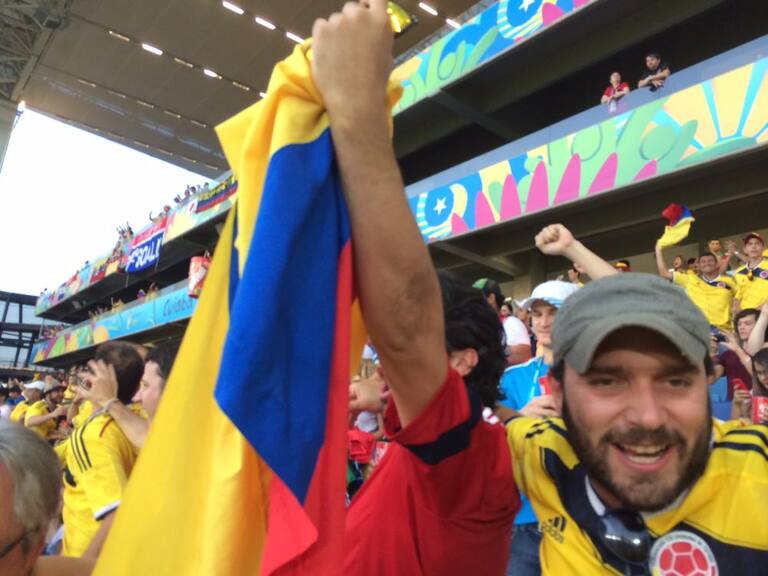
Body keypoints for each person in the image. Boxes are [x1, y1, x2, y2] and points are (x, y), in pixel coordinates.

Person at [312, 7, 767, 573]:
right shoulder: (537, 448)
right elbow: (417, 346)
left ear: (711, 377)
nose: (647, 415)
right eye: (606, 380)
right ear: (556, 390)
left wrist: (357, 118)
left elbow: (410, 331)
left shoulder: (756, 474)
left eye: (676, 379)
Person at [313, 6, 520, 572]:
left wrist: (355, 109)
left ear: (462, 361)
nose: (384, 360)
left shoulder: (470, 454)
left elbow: (405, 321)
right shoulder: (435, 443)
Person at [498, 224, 616, 576]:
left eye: (554, 311)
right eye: (537, 314)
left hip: (586, 515)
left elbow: (630, 296)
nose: (544, 322)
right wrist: (518, 418)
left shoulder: (596, 371)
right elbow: (488, 445)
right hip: (524, 521)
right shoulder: (511, 378)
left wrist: (571, 247)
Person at [61, 341, 144, 557]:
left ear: (90, 381)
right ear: (137, 388)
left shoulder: (91, 436)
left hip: (85, 554)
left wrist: (82, 568)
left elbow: (116, 513)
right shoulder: (140, 420)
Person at [76, 341, 180, 449]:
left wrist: (109, 402)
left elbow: (158, 444)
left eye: (146, 385)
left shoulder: (93, 436)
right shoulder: (169, 427)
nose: (137, 397)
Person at [655, 246, 735, 332]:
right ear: (699, 266)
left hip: (724, 331)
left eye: (710, 261)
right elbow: (664, 273)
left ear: (716, 264)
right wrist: (658, 250)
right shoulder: (690, 279)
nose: (707, 263)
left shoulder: (730, 281)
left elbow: (739, 303)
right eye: (703, 262)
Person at [473, 278, 532, 366]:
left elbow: (524, 356)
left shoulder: (511, 324)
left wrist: (486, 359)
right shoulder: (475, 326)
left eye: (477, 299)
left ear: (491, 298)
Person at [734, 232, 768, 311]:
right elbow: (738, 295)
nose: (753, 246)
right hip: (745, 315)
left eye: (757, 243)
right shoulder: (739, 272)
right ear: (745, 249)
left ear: (763, 248)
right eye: (750, 244)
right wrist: (736, 310)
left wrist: (759, 310)